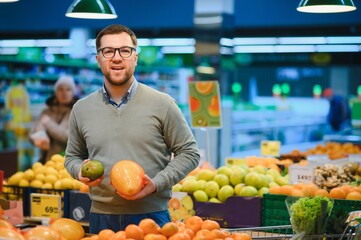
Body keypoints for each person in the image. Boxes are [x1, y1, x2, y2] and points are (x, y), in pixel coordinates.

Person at [64, 24, 200, 234]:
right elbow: (72, 157)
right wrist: (78, 170)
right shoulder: (82, 109)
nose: (116, 58)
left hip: (152, 216)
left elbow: (190, 153)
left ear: (135, 57)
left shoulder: (163, 104)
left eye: (125, 50)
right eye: (108, 51)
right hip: (101, 217)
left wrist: (155, 183)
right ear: (98, 59)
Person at [29, 75, 78, 163]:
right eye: (61, 89)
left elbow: (70, 137)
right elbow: (31, 134)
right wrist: (37, 138)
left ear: (73, 93)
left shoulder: (77, 113)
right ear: (56, 92)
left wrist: (48, 123)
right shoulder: (47, 111)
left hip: (66, 163)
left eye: (68, 89)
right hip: (45, 162)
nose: (64, 93)